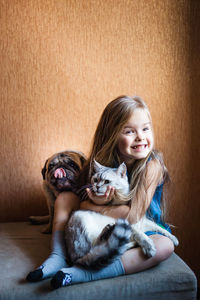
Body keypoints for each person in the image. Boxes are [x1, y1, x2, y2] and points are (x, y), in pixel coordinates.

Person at [27, 95, 175, 288]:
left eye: (146, 128)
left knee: (165, 247)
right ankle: (58, 256)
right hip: (105, 226)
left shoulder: (152, 166)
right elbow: (82, 203)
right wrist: (95, 205)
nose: (140, 137)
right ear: (111, 135)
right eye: (129, 131)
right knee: (64, 198)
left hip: (142, 227)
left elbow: (132, 215)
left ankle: (86, 273)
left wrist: (97, 207)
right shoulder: (103, 165)